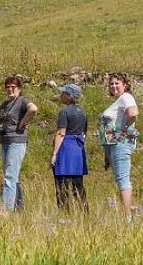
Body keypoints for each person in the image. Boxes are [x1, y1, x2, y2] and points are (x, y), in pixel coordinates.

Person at [0, 75, 37, 211]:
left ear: (19, 89)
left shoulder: (22, 101)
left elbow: (33, 109)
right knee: (12, 175)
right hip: (5, 141)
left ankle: (5, 210)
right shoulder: (5, 104)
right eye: (7, 87)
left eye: (13, 87)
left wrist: (22, 123)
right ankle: (18, 207)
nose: (10, 89)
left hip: (16, 141)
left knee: (9, 176)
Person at [99, 73, 139, 214]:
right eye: (111, 84)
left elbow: (133, 113)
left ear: (125, 85)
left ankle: (127, 216)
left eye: (117, 83)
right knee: (120, 179)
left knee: (123, 179)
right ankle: (125, 214)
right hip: (114, 145)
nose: (114, 86)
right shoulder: (118, 101)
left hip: (120, 143)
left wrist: (123, 131)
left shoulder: (126, 97)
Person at [51, 83, 88, 211]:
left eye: (63, 93)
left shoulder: (64, 112)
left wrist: (54, 154)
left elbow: (61, 133)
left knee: (61, 183)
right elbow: (84, 133)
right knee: (78, 184)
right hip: (78, 149)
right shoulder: (83, 112)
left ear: (69, 96)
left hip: (65, 148)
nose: (61, 95)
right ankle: (84, 211)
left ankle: (64, 212)